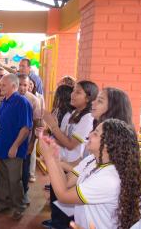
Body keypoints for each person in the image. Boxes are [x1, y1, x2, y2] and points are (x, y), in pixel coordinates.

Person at [39, 118, 141, 229]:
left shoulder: (108, 179)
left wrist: (49, 158)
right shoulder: (92, 160)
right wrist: (54, 158)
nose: (89, 134)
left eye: (95, 133)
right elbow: (66, 182)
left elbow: (63, 196)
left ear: (108, 144)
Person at [42, 81, 98, 229]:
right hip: (64, 160)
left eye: (78, 92)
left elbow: (70, 143)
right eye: (73, 91)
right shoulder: (75, 113)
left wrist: (53, 125)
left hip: (73, 164)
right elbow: (64, 138)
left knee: (64, 201)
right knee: (56, 195)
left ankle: (59, 223)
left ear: (88, 98)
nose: (72, 94)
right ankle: (56, 221)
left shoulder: (87, 118)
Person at [0, 74, 33, 220]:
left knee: (14, 180)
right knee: (1, 178)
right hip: (0, 148)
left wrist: (15, 146)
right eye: (0, 84)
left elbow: (26, 128)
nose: (0, 87)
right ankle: (4, 204)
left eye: (3, 85)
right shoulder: (4, 101)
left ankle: (19, 207)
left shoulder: (22, 102)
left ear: (13, 86)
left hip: (13, 150)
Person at [17, 74, 41, 200]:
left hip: (26, 140)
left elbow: (37, 123)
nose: (22, 88)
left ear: (29, 86)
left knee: (24, 168)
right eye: (19, 84)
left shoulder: (33, 100)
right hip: (11, 140)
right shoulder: (9, 97)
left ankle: (24, 192)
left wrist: (32, 143)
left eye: (25, 85)